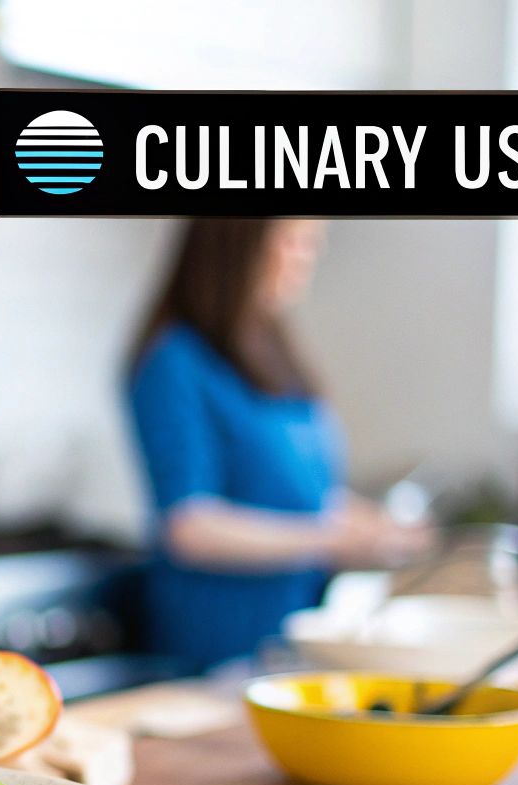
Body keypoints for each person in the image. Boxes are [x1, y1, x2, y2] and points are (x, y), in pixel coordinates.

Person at [125, 219, 432, 674]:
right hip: (221, 646)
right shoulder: (174, 362)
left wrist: (372, 527)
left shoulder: (268, 347)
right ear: (237, 247)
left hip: (295, 632)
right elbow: (188, 525)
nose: (308, 256)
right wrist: (333, 540)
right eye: (293, 241)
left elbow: (301, 495)